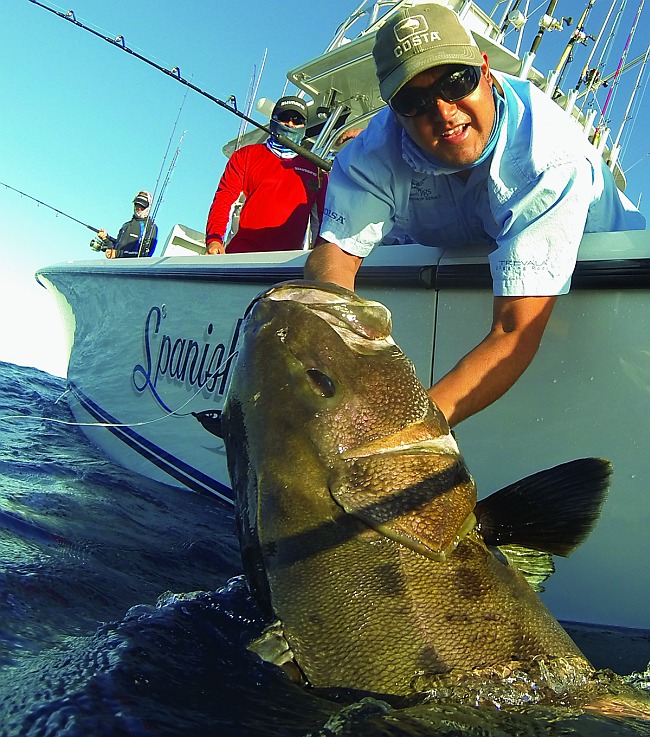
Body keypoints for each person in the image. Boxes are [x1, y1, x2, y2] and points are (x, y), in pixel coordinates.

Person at [305, 3, 645, 428]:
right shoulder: (370, 153)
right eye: (415, 100)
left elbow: (513, 330)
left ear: (485, 69)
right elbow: (335, 257)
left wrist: (400, 435)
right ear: (394, 110)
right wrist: (332, 367)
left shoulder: (550, 159)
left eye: (456, 82)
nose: (444, 112)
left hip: (621, 300)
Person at [205, 96, 328, 254]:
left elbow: (321, 221)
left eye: (297, 120)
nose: (290, 124)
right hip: (241, 254)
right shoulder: (245, 155)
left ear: (304, 126)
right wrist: (214, 239)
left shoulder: (317, 171)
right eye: (284, 117)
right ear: (273, 120)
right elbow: (224, 198)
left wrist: (319, 256)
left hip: (285, 264)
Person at [97, 190, 158, 259]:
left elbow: (144, 255)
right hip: (114, 266)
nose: (139, 208)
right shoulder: (125, 225)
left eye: (142, 206)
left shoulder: (151, 227)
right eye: (137, 204)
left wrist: (117, 254)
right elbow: (116, 246)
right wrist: (106, 239)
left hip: (131, 269)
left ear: (148, 207)